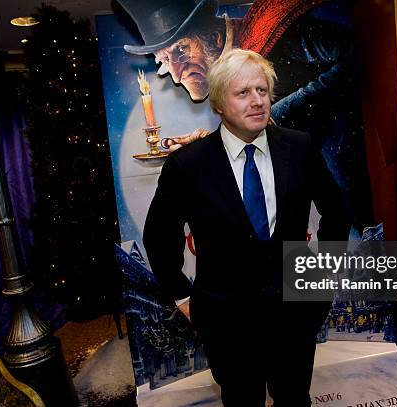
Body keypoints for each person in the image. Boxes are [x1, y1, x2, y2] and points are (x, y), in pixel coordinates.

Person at [143, 48, 348, 406]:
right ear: (219, 104)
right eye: (243, 93)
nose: (257, 102)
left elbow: (337, 210)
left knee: (295, 398)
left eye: (262, 91)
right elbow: (160, 235)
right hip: (226, 321)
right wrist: (183, 294)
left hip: (295, 312)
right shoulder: (188, 166)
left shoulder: (299, 147)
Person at [118, 0, 372, 231]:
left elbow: (353, 53)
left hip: (370, 171)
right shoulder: (227, 92)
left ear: (216, 39)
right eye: (163, 59)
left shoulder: (273, 33)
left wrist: (278, 117)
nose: (175, 75)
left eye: (181, 51)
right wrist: (212, 146)